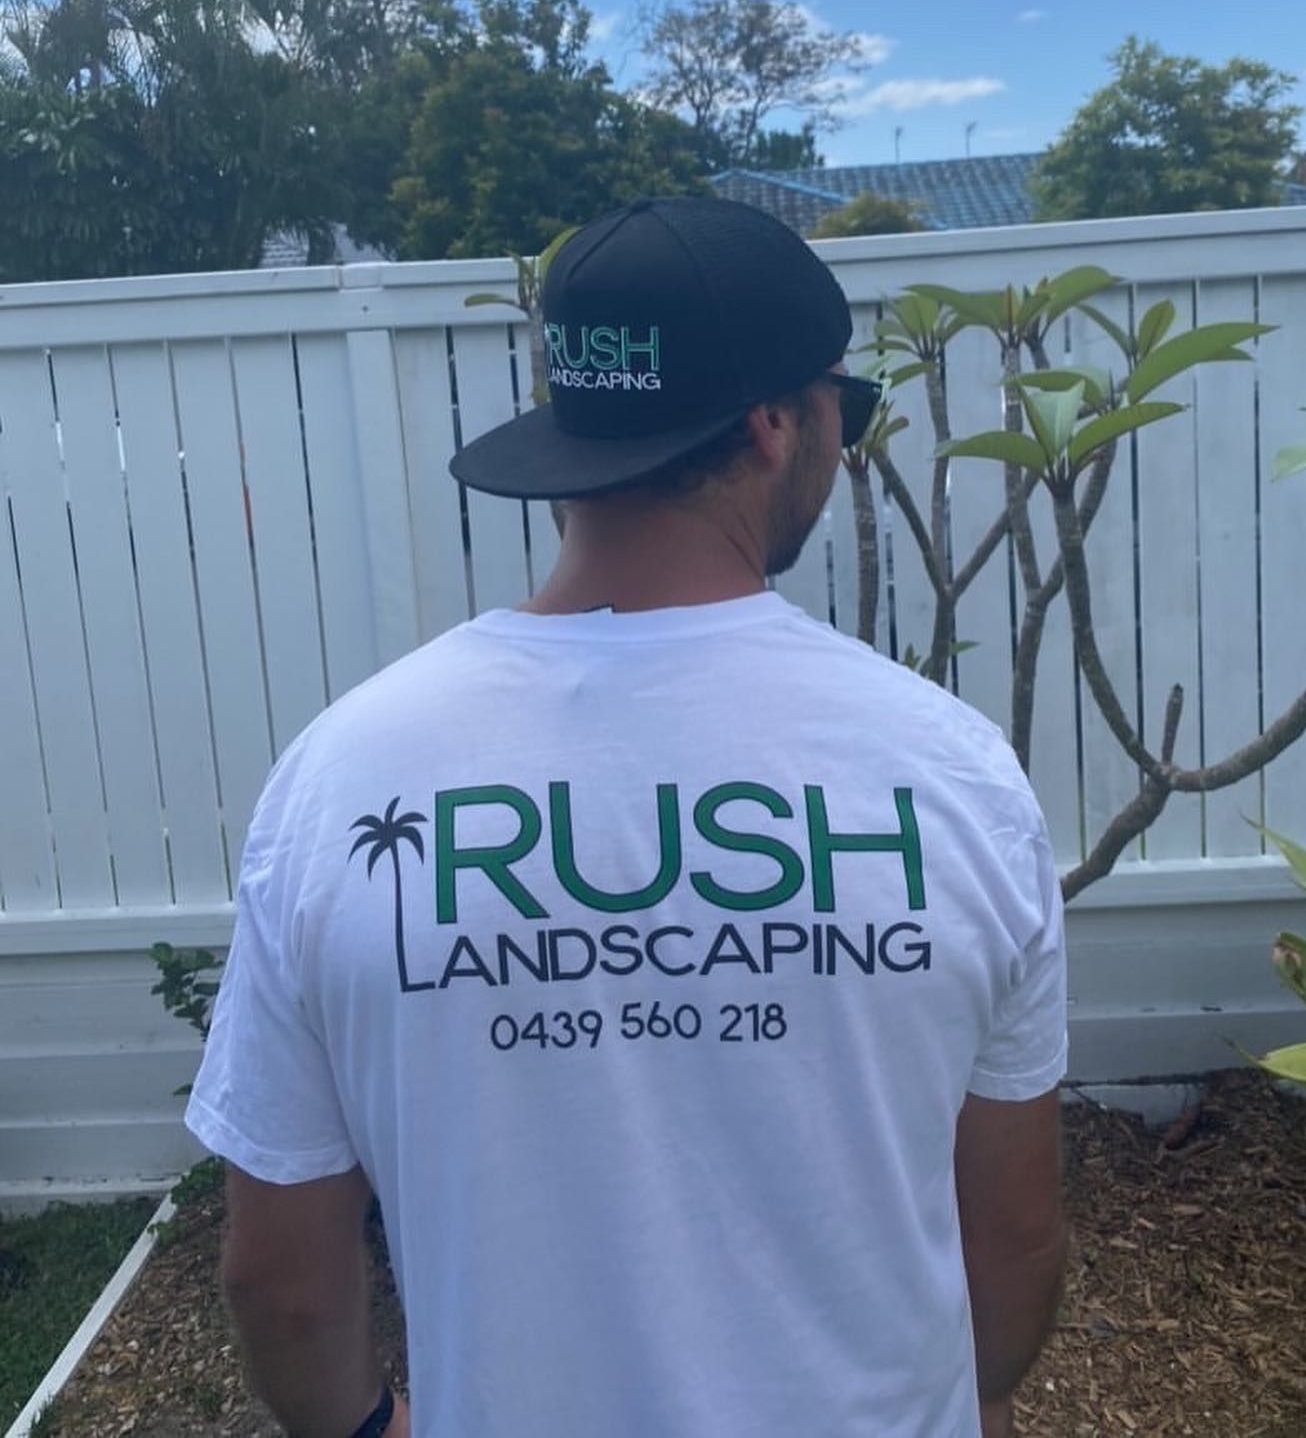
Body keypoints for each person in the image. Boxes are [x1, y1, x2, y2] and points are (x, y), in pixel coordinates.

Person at [187, 195, 1067, 1438]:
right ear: (774, 425)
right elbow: (1016, 1243)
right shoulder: (954, 774)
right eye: (842, 410)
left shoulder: (346, 776)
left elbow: (277, 1276)